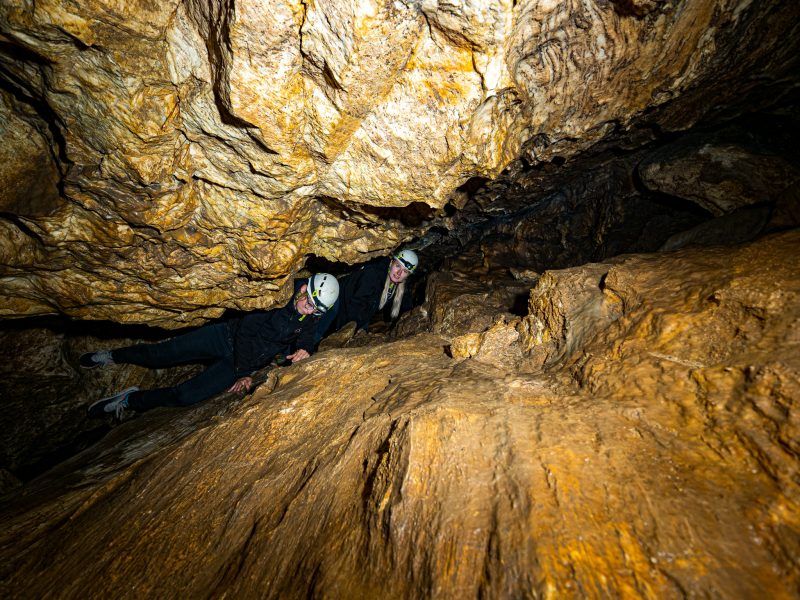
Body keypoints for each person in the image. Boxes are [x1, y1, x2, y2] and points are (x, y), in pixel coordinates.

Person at [83, 273, 339, 419]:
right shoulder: (277, 296)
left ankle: (130, 400)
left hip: (244, 362)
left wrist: (305, 347)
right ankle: (113, 355)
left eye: (318, 310)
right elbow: (247, 333)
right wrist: (244, 373)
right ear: (305, 288)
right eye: (311, 303)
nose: (311, 310)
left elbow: (307, 332)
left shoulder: (310, 312)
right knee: (160, 354)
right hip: (227, 338)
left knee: (185, 396)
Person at [316, 249, 418, 341]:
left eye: (405, 271)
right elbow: (357, 304)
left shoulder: (401, 285)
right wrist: (353, 329)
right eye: (398, 266)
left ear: (408, 275)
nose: (399, 273)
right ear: (391, 263)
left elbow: (406, 308)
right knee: (322, 332)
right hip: (337, 299)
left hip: (359, 308)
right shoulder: (373, 274)